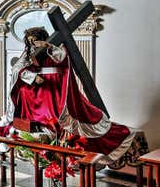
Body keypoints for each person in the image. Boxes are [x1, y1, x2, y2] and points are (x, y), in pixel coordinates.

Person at [8, 26, 136, 161]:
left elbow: (63, 57)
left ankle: (65, 145)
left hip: (56, 85)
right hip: (40, 86)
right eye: (30, 41)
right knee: (23, 92)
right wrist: (32, 77)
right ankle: (45, 136)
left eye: (34, 40)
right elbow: (18, 68)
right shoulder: (29, 51)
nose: (32, 43)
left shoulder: (55, 46)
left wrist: (48, 46)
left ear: (42, 38)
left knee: (71, 114)